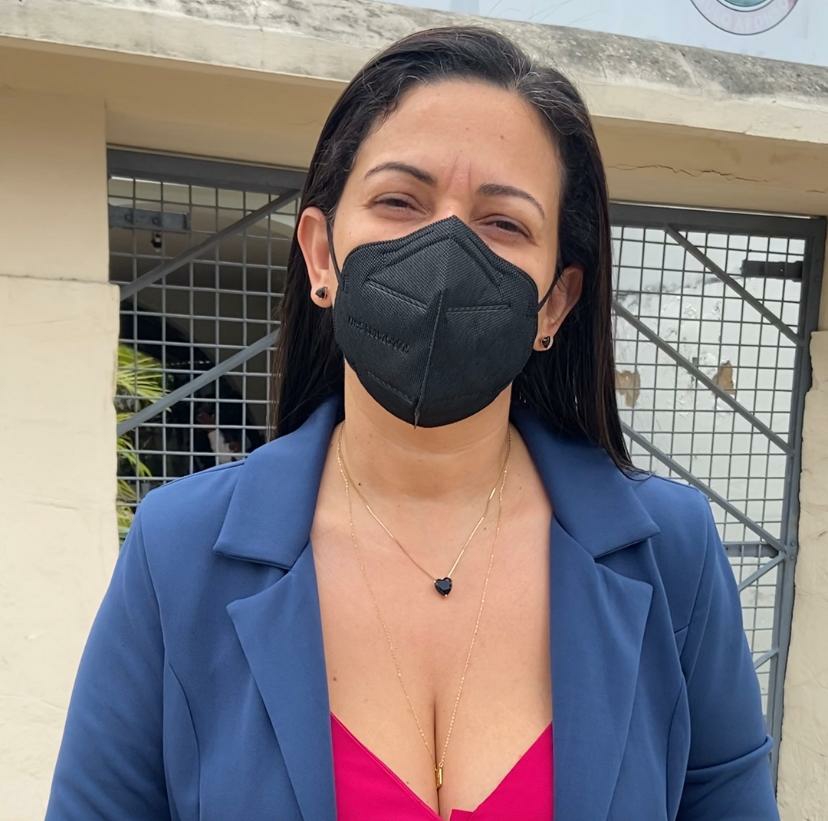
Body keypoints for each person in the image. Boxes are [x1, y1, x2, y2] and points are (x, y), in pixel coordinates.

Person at [45, 24, 779, 821]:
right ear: (320, 255)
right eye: (399, 201)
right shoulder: (179, 553)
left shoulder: (670, 557)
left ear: (555, 303)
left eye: (504, 222)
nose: (447, 246)